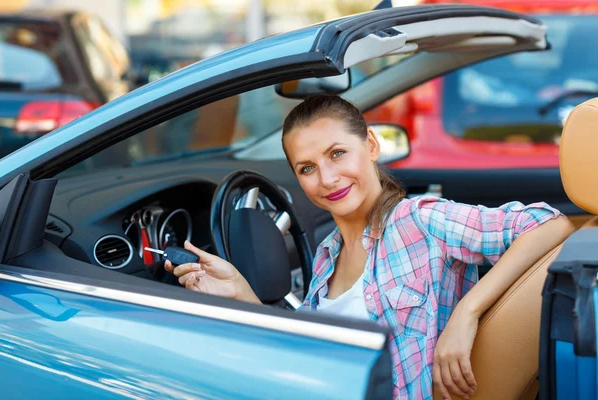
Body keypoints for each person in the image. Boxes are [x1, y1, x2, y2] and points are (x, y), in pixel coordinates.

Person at [164, 94, 574, 400]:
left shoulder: (417, 219)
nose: (327, 178)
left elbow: (548, 224)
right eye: (307, 168)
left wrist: (467, 313)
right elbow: (308, 353)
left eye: (337, 153)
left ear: (372, 147)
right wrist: (242, 293)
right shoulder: (326, 255)